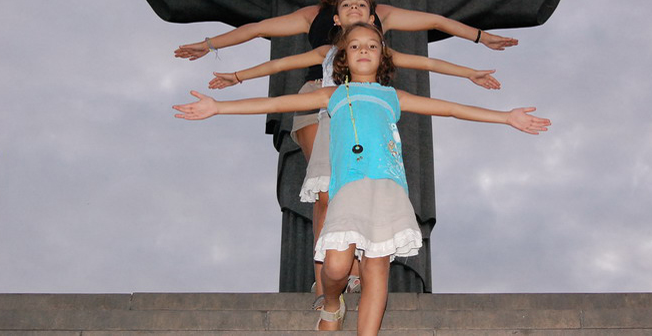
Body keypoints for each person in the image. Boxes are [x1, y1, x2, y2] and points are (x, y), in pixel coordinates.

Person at [48, 0, 643, 292]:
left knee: (384, 208)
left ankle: (366, 289)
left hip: (387, 118)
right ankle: (323, 291)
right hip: (320, 105)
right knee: (321, 193)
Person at [173, 23, 551, 334]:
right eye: (355, 45)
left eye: (372, 44)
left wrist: (505, 116)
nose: (364, 49)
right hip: (348, 189)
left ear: (383, 55)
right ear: (344, 57)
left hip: (388, 188)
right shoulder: (333, 94)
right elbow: (275, 104)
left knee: (376, 268)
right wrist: (218, 107)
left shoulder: (393, 96)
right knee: (336, 267)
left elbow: (450, 108)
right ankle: (333, 303)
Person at [205, 0, 502, 297]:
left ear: (373, 18)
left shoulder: (380, 54)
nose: (355, 9)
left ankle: (358, 269)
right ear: (335, 18)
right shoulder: (328, 52)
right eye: (346, 4)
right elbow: (280, 66)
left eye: (361, 4)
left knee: (365, 196)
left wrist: (470, 74)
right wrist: (237, 77)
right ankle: (327, 282)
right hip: (333, 122)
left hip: (368, 134)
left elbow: (427, 65)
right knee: (326, 195)